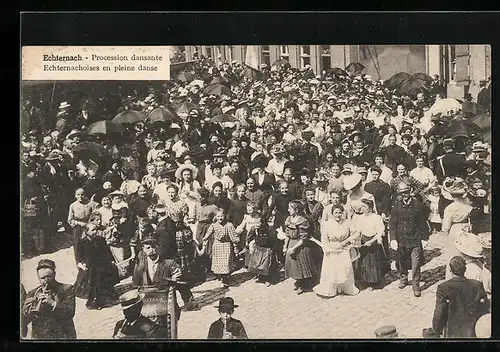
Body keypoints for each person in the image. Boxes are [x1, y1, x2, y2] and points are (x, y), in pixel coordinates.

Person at [430, 256, 489, 338]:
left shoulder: (443, 287)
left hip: (453, 331)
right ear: (465, 269)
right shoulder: (476, 285)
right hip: (472, 329)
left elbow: (439, 312)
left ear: (450, 270)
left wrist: (436, 329)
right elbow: (484, 307)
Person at [389, 182, 431, 297]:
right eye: (402, 193)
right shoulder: (396, 206)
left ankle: (416, 284)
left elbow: (423, 222)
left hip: (415, 238)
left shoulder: (418, 205)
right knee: (401, 260)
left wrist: (425, 238)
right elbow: (392, 224)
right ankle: (403, 277)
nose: (404, 195)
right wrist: (393, 239)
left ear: (410, 191)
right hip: (401, 238)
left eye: (406, 192)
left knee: (415, 263)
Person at [22, 259, 76, 339]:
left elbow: (70, 312)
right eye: (43, 278)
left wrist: (52, 303)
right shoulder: (32, 293)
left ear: (54, 274)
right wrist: (26, 311)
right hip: (41, 336)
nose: (46, 281)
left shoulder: (67, 289)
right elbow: (25, 321)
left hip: (63, 335)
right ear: (38, 277)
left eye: (49, 277)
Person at [313, 205, 359, 298]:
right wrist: (329, 248)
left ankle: (344, 288)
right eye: (336, 213)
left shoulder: (347, 223)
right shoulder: (327, 224)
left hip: (343, 249)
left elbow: (356, 233)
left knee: (344, 269)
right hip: (331, 249)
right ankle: (331, 289)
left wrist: (346, 241)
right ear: (332, 214)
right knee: (332, 270)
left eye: (339, 213)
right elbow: (324, 239)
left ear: (342, 213)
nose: (338, 215)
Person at [282, 200, 318, 295]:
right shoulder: (289, 219)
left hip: (300, 245)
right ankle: (298, 281)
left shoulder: (303, 221)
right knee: (292, 265)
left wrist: (294, 248)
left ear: (296, 210)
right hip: (291, 243)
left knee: (300, 265)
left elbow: (304, 238)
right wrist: (285, 246)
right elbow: (287, 235)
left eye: (290, 208)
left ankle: (303, 284)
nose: (288, 210)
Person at [354, 199, 389, 290]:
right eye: (362, 206)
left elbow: (380, 232)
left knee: (373, 261)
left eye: (365, 207)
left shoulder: (376, 217)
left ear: (370, 208)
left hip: (373, 241)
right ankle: (365, 281)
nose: (362, 209)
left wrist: (372, 241)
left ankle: (374, 282)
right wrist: (354, 239)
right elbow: (358, 231)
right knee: (364, 261)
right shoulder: (360, 218)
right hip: (364, 240)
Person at [202, 209, 240, 288]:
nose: (220, 218)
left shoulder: (229, 225)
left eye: (221, 216)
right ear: (216, 217)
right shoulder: (214, 225)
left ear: (225, 216)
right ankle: (221, 276)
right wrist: (205, 239)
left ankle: (225, 279)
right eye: (218, 216)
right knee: (218, 262)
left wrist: (235, 246)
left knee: (225, 262)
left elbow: (234, 237)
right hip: (217, 245)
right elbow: (208, 233)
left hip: (226, 245)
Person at [246, 213, 279, 286]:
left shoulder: (268, 229)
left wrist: (272, 249)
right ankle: (261, 277)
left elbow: (272, 240)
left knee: (266, 265)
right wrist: (251, 243)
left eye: (258, 222)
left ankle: (268, 279)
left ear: (262, 222)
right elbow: (249, 237)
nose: (256, 224)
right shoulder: (254, 229)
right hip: (258, 248)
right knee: (258, 263)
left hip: (267, 249)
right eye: (255, 222)